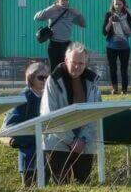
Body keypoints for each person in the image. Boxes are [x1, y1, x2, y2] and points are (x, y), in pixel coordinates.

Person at [42, 42, 102, 184]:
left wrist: (82, 139)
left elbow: (96, 114)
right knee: (61, 186)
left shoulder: (92, 82)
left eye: (81, 63)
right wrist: (71, 140)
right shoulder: (53, 81)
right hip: (57, 142)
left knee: (83, 184)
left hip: (84, 143)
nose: (77, 67)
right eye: (74, 62)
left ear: (86, 63)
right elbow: (50, 115)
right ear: (66, 60)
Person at [1, 61, 48, 187]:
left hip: (47, 156)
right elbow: (9, 125)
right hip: (29, 158)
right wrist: (27, 140)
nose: (44, 80)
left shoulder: (48, 96)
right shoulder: (23, 97)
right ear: (31, 78)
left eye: (47, 77)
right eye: (41, 77)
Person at [34, 0, 86, 72]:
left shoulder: (70, 12)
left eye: (66, 0)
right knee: (55, 69)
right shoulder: (52, 10)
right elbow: (36, 17)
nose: (65, 2)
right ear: (57, 1)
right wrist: (51, 8)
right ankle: (54, 83)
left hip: (66, 44)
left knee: (67, 68)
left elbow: (83, 24)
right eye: (62, 0)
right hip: (54, 44)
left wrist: (78, 13)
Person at [102, 0, 131, 94]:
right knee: (113, 69)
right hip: (111, 46)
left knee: (124, 69)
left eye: (120, 4)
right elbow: (104, 32)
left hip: (124, 47)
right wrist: (109, 22)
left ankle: (124, 90)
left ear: (123, 4)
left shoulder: (127, 15)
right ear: (113, 5)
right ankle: (115, 89)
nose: (117, 6)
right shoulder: (109, 14)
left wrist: (128, 10)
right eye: (116, 4)